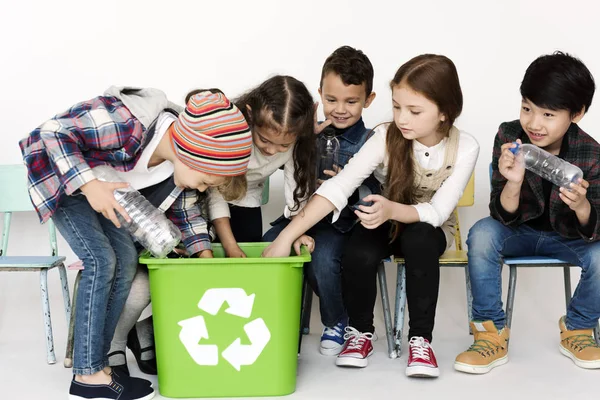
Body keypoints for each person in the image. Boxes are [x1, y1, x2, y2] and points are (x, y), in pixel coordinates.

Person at [19, 88, 252, 400]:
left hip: (105, 195)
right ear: (193, 152)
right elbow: (49, 133)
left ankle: (100, 367)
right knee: (101, 260)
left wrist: (203, 259)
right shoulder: (127, 122)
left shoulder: (178, 171)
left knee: (126, 258)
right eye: (207, 181)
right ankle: (87, 375)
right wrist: (89, 185)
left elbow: (188, 212)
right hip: (63, 178)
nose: (203, 188)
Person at [263, 54, 479, 377]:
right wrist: (286, 236)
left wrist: (391, 209)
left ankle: (420, 340)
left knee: (420, 239)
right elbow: (338, 188)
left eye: (414, 111)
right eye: (397, 107)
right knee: (358, 249)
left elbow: (436, 213)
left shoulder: (465, 147)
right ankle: (359, 331)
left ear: (445, 113)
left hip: (426, 227)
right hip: (384, 221)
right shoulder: (384, 137)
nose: (402, 119)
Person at [455, 51, 600, 374]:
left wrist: (581, 206)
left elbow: (595, 227)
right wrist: (513, 183)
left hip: (567, 238)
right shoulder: (509, 136)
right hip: (517, 232)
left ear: (576, 113)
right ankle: (490, 333)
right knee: (482, 234)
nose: (533, 123)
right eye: (527, 108)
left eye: (548, 115)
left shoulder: (590, 152)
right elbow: (501, 215)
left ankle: (578, 328)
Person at [263, 45, 377, 356]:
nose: (340, 109)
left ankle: (336, 320)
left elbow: (375, 195)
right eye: (331, 100)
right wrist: (303, 142)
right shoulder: (305, 135)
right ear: (319, 95)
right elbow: (285, 173)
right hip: (295, 217)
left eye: (351, 101)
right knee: (266, 245)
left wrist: (349, 185)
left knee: (323, 259)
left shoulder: (371, 143)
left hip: (338, 226)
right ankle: (271, 318)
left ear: (369, 100)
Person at [206, 75, 317, 256]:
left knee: (249, 244)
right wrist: (230, 245)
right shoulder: (231, 135)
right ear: (250, 115)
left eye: (284, 145)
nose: (272, 151)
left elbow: (295, 189)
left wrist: (298, 232)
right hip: (208, 191)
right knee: (214, 247)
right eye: (264, 140)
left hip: (248, 195)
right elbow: (215, 193)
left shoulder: (297, 144)